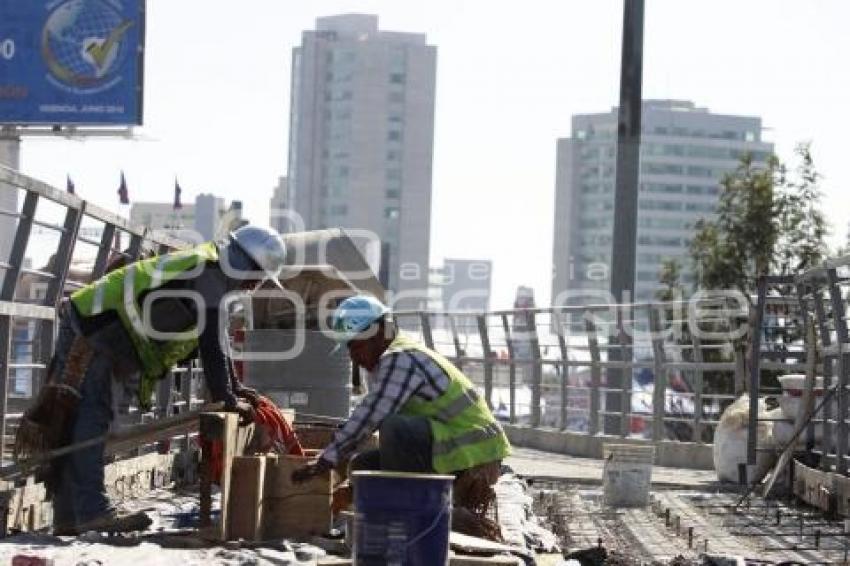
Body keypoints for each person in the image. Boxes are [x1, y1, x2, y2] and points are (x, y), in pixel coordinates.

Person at [26, 225, 287, 535]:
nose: (255, 286)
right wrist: (226, 396)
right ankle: (92, 512)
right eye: (257, 277)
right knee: (91, 419)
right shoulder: (210, 272)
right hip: (95, 329)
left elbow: (220, 342)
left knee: (88, 421)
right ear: (245, 263)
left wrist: (235, 389)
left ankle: (70, 518)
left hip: (106, 335)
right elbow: (211, 345)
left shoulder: (214, 276)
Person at [292, 295, 511, 509]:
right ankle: (386, 515)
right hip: (454, 455)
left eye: (356, 347)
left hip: (476, 460)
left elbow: (373, 413)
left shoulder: (400, 358)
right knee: (362, 466)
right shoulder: (388, 361)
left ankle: (415, 512)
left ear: (379, 334)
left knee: (395, 429)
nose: (354, 358)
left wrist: (326, 459)